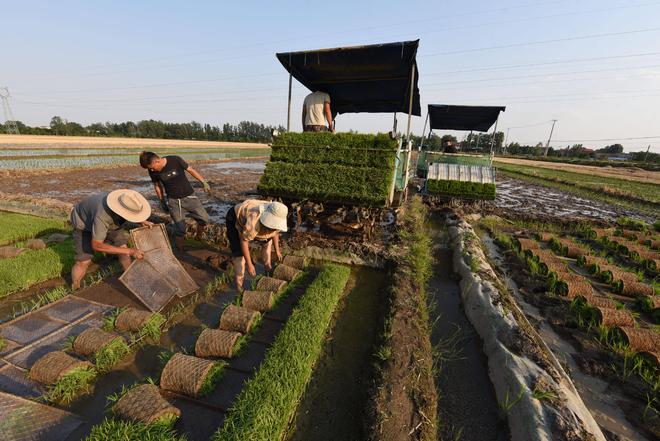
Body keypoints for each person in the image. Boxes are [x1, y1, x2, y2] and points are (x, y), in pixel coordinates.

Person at [70, 189, 153, 289]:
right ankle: (75, 286)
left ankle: (130, 279)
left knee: (124, 250)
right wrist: (130, 251)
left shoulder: (121, 201)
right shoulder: (102, 216)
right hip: (83, 224)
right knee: (83, 261)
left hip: (112, 222)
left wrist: (142, 220)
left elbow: (129, 210)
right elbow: (97, 245)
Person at [139, 151, 211, 252]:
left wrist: (203, 181)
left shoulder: (175, 160)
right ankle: (180, 251)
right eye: (149, 168)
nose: (151, 170)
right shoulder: (152, 171)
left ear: (157, 161)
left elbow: (190, 170)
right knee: (180, 229)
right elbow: (157, 186)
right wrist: (162, 201)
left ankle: (198, 238)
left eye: (151, 167)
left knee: (204, 219)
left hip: (190, 197)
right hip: (174, 202)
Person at [225, 199, 288, 291]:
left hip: (254, 220)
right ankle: (239, 289)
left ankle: (267, 270)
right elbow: (244, 241)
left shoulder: (279, 213)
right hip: (235, 217)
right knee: (240, 257)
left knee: (267, 244)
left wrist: (277, 250)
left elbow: (275, 232)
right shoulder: (254, 221)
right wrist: (249, 264)